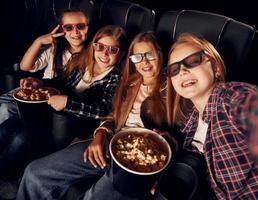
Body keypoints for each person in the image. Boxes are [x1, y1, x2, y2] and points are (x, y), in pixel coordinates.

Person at [16, 31, 167, 200]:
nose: (144, 62)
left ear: (160, 54)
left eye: (150, 55)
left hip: (138, 156)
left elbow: (103, 109)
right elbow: (112, 115)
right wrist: (101, 133)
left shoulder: (171, 86)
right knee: (34, 171)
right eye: (137, 56)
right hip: (108, 142)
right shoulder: (131, 82)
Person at [0, 25, 127, 200]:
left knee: (22, 137)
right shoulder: (83, 62)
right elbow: (61, 81)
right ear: (93, 46)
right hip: (51, 115)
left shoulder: (117, 77)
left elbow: (104, 110)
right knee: (9, 125)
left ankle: (9, 178)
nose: (105, 54)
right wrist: (39, 83)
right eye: (100, 47)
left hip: (72, 126)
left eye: (113, 50)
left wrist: (68, 103)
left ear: (120, 54)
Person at [164, 33, 258, 199]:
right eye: (174, 69)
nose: (183, 71)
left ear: (216, 68)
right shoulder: (191, 121)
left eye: (193, 61)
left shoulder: (230, 97)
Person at [0, 8, 90, 124]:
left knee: (5, 109)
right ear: (62, 29)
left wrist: (41, 84)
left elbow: (70, 87)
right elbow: (24, 66)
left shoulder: (92, 55)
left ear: (88, 27)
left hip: (52, 97)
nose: (75, 31)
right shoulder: (55, 48)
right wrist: (39, 41)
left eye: (81, 26)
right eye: (69, 27)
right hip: (38, 87)